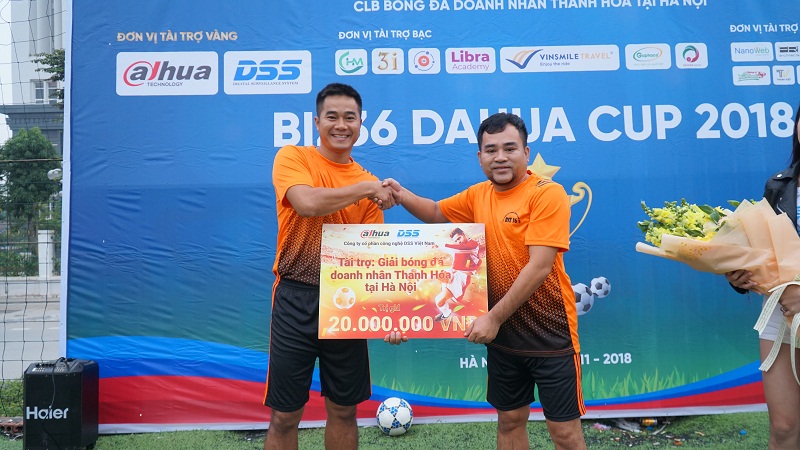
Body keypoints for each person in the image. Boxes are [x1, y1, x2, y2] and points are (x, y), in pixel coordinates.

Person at [384, 112, 587, 450]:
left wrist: (492, 318)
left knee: (565, 434)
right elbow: (435, 213)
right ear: (480, 157)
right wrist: (400, 194)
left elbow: (540, 266)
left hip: (550, 335)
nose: (500, 157)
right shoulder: (478, 195)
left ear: (526, 152)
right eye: (491, 150)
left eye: (510, 148)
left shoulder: (547, 193)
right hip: (503, 338)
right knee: (509, 422)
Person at [263, 82, 404, 450]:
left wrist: (391, 314)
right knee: (285, 415)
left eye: (350, 117)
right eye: (332, 117)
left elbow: (373, 261)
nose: (341, 125)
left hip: (347, 303)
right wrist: (366, 187)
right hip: (295, 298)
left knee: (344, 410)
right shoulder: (293, 157)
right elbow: (307, 203)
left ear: (361, 123)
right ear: (317, 122)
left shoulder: (369, 187)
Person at [725, 105, 800, 450]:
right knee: (783, 428)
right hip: (780, 313)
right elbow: (763, 250)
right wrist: (740, 275)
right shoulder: (779, 184)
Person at [433, 227, 482, 321]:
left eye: (459, 238)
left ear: (463, 234)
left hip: (461, 277)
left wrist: (442, 245)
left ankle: (446, 313)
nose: (458, 242)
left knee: (438, 300)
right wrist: (438, 247)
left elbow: (460, 249)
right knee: (440, 275)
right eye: (456, 241)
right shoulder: (460, 248)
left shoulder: (473, 245)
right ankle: (447, 293)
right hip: (453, 272)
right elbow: (454, 251)